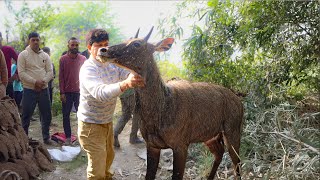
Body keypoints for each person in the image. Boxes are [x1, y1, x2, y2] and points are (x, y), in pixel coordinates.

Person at [77, 29, 145, 180]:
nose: (103, 48)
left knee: (108, 159)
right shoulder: (88, 69)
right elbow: (100, 93)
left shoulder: (110, 64)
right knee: (97, 170)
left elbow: (125, 73)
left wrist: (132, 72)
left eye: (106, 44)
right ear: (89, 47)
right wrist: (126, 84)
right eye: (99, 45)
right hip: (90, 126)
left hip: (106, 122)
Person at [17, 32, 54, 145]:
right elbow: (21, 73)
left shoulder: (45, 55)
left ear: (40, 40)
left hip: (44, 89)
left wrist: (43, 82)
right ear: (29, 41)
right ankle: (24, 139)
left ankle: (46, 138)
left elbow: (50, 72)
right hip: (29, 90)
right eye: (33, 40)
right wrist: (35, 82)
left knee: (46, 114)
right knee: (26, 115)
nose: (36, 42)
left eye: (37, 40)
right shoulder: (23, 55)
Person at [59, 37, 86, 145]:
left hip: (80, 92)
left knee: (82, 115)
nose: (74, 47)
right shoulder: (63, 59)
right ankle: (68, 137)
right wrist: (62, 92)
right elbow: (61, 77)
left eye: (76, 45)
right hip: (67, 92)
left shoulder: (83, 59)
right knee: (66, 115)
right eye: (72, 45)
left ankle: (82, 136)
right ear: (68, 46)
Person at [0, 31, 18, 98]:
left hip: (8, 81)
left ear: (1, 38)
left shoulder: (8, 49)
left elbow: (19, 60)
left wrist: (15, 74)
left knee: (10, 104)